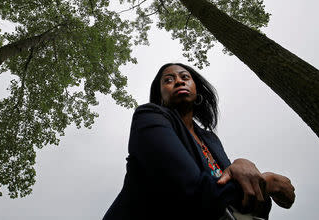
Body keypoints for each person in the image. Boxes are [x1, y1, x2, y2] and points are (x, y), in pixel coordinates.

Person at [103, 63, 295, 220]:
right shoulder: (149, 117)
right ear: (160, 97)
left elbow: (239, 201)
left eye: (185, 77)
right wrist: (267, 182)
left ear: (197, 89)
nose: (178, 81)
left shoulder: (210, 140)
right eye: (168, 80)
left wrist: (242, 165)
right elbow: (192, 192)